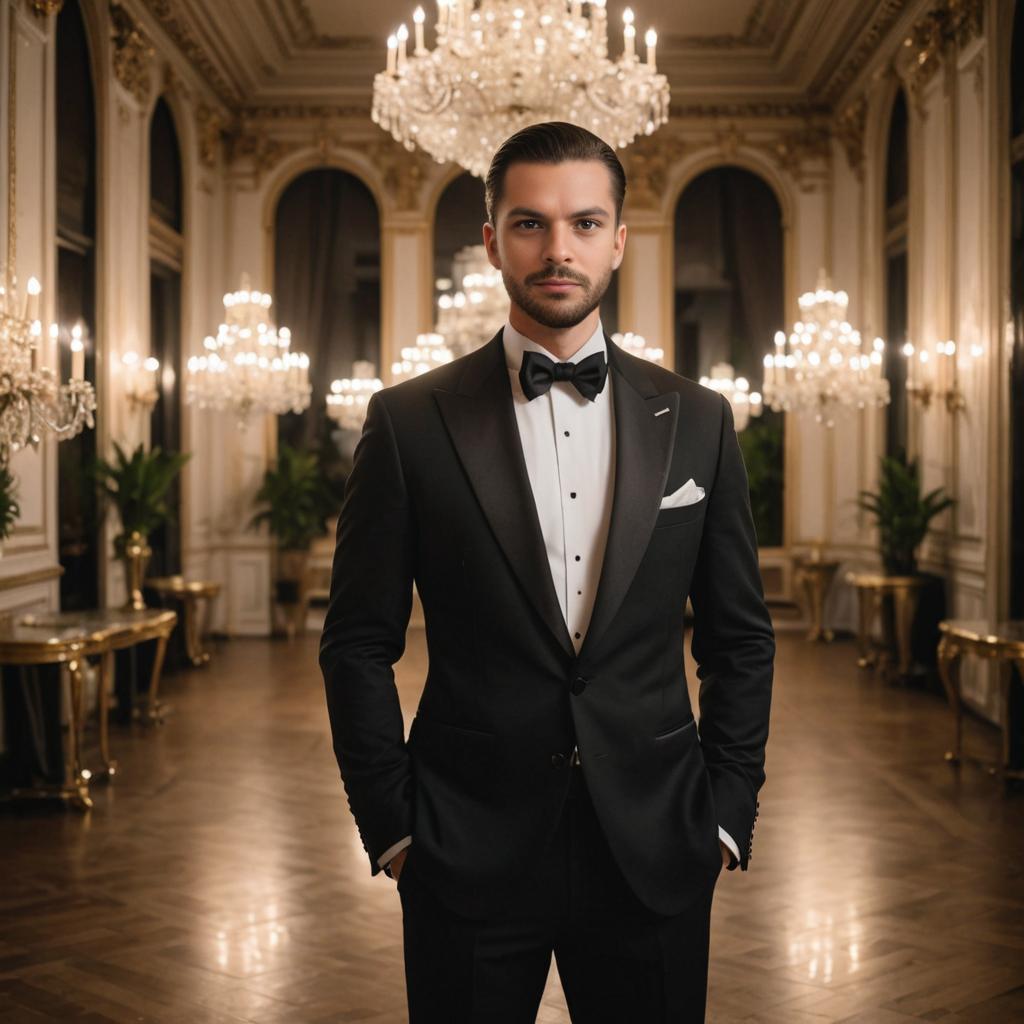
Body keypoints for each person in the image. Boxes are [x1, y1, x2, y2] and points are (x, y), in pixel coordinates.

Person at [320, 121, 775, 1023]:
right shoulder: (408, 423)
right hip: (462, 845)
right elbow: (357, 645)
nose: (557, 249)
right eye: (529, 223)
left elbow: (741, 640)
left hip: (656, 844)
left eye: (583, 223)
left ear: (618, 239)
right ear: (490, 240)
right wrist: (396, 828)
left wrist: (724, 816)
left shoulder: (698, 419)